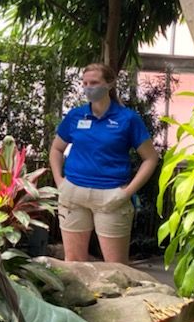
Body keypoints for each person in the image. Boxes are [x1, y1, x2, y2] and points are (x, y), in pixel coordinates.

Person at [48, 63, 160, 265]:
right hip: (73, 193)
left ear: (109, 84)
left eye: (94, 83)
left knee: (116, 267)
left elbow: (150, 158)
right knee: (73, 263)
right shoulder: (76, 115)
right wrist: (60, 183)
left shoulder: (128, 119)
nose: (88, 87)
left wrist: (126, 193)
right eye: (85, 83)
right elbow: (56, 149)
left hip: (111, 197)